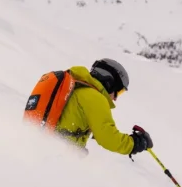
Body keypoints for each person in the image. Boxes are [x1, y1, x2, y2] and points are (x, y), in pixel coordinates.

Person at [22, 58, 153, 157]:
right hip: (55, 155)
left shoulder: (77, 90)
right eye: (118, 92)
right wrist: (136, 143)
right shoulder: (95, 98)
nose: (115, 98)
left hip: (45, 148)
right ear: (110, 83)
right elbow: (108, 138)